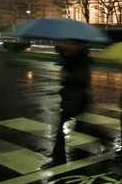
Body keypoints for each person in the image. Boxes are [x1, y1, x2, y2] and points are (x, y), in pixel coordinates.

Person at [43, 39, 102, 168]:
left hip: (78, 98)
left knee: (63, 129)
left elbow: (82, 77)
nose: (69, 45)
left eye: (72, 44)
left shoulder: (84, 60)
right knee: (82, 126)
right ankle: (102, 138)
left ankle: (59, 159)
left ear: (80, 45)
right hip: (70, 98)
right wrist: (64, 73)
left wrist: (66, 76)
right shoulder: (69, 57)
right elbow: (64, 80)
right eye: (68, 43)